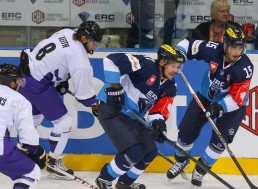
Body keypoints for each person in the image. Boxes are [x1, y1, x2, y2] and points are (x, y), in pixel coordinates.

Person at [166, 27, 254, 187]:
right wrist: (178, 56)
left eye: (240, 47)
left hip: (232, 107)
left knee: (219, 143)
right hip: (206, 97)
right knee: (186, 131)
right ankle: (182, 160)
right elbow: (187, 43)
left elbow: (236, 99)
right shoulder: (213, 50)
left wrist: (218, 108)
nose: (237, 52)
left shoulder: (245, 68)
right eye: (234, 47)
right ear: (225, 45)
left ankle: (200, 170)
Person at [17, 20, 103, 180]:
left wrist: (60, 80)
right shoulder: (80, 60)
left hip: (26, 74)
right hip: (38, 84)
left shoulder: (67, 32)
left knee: (36, 117)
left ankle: (23, 150)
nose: (95, 47)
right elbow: (85, 97)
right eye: (94, 43)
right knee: (65, 123)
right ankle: (54, 163)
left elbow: (55, 58)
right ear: (84, 39)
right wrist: (96, 104)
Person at [94, 44, 185, 189]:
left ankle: (124, 184)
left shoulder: (170, 86)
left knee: (150, 152)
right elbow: (110, 60)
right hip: (112, 109)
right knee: (134, 152)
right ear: (162, 62)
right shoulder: (146, 65)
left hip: (133, 117)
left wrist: (158, 125)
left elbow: (158, 111)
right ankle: (104, 179)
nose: (176, 70)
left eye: (178, 66)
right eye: (173, 65)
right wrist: (115, 88)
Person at [0, 63, 46, 189]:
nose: (19, 84)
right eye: (18, 81)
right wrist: (35, 151)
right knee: (31, 172)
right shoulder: (18, 99)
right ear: (11, 82)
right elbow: (27, 134)